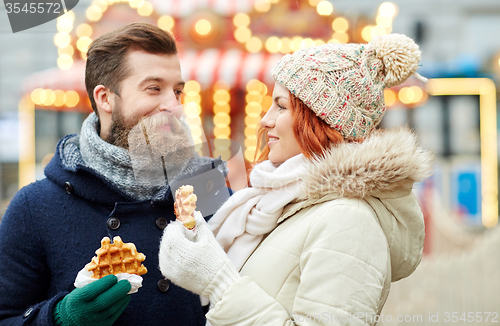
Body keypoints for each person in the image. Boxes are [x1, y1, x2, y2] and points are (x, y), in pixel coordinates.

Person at [159, 33, 433, 325]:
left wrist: (219, 283)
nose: (265, 120)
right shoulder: (280, 204)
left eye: (281, 106)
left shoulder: (349, 221)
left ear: (319, 120)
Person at [0, 23, 230, 325]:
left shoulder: (210, 192)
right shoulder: (35, 206)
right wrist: (61, 318)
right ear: (105, 98)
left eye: (177, 91)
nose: (174, 106)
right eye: (154, 88)